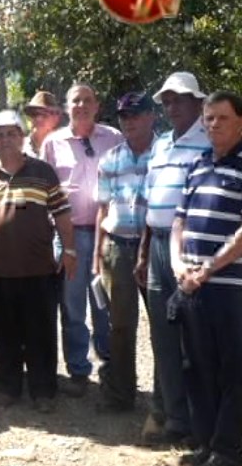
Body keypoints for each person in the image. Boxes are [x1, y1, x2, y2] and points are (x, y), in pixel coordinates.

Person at [0, 110, 77, 413]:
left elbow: (62, 214)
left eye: (11, 133)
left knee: (40, 332)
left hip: (38, 270)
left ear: (22, 136)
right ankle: (7, 387)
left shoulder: (43, 172)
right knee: (3, 332)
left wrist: (70, 251)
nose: (5, 139)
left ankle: (43, 391)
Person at [171, 90, 242, 466]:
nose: (213, 124)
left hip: (230, 286)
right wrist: (180, 264)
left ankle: (228, 449)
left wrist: (210, 267)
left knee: (233, 369)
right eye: (209, 118)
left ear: (241, 121)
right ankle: (206, 443)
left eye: (222, 118)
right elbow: (179, 221)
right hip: (193, 284)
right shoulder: (198, 165)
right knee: (198, 366)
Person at [137, 71, 209, 445]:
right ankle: (175, 418)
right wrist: (144, 250)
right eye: (166, 100)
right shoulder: (161, 144)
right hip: (158, 247)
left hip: (192, 249)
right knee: (162, 337)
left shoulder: (209, 140)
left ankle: (201, 421)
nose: (172, 106)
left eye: (179, 98)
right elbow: (150, 203)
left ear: (198, 102)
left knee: (194, 338)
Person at [41, 83, 124, 397]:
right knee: (73, 306)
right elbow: (44, 189)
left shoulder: (113, 138)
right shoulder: (53, 143)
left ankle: (110, 366)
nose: (82, 105)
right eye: (76, 101)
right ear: (67, 107)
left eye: (88, 100)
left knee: (105, 304)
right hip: (70, 235)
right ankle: (78, 369)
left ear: (97, 105)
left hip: (108, 234)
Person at [92, 92, 156, 414]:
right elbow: (102, 210)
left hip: (156, 247)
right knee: (119, 325)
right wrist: (96, 255)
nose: (128, 121)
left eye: (135, 114)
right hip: (116, 247)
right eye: (123, 116)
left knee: (163, 325)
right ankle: (121, 395)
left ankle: (167, 402)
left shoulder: (165, 154)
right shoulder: (110, 159)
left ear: (151, 116)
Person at [22, 91, 63, 158]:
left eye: (44, 114)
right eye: (34, 114)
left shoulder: (64, 149)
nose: (38, 118)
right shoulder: (18, 148)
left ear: (56, 118)